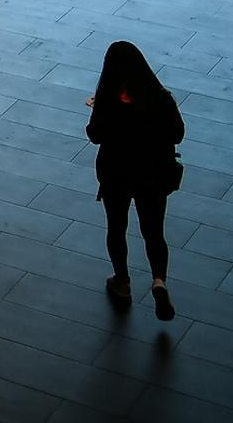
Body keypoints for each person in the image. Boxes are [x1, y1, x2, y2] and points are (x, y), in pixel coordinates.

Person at [86, 40, 185, 320]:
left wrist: (99, 109)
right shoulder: (161, 98)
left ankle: (122, 281)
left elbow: (95, 135)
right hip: (153, 173)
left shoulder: (107, 101)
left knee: (116, 227)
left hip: (116, 173)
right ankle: (158, 281)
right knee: (154, 231)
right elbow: (177, 134)